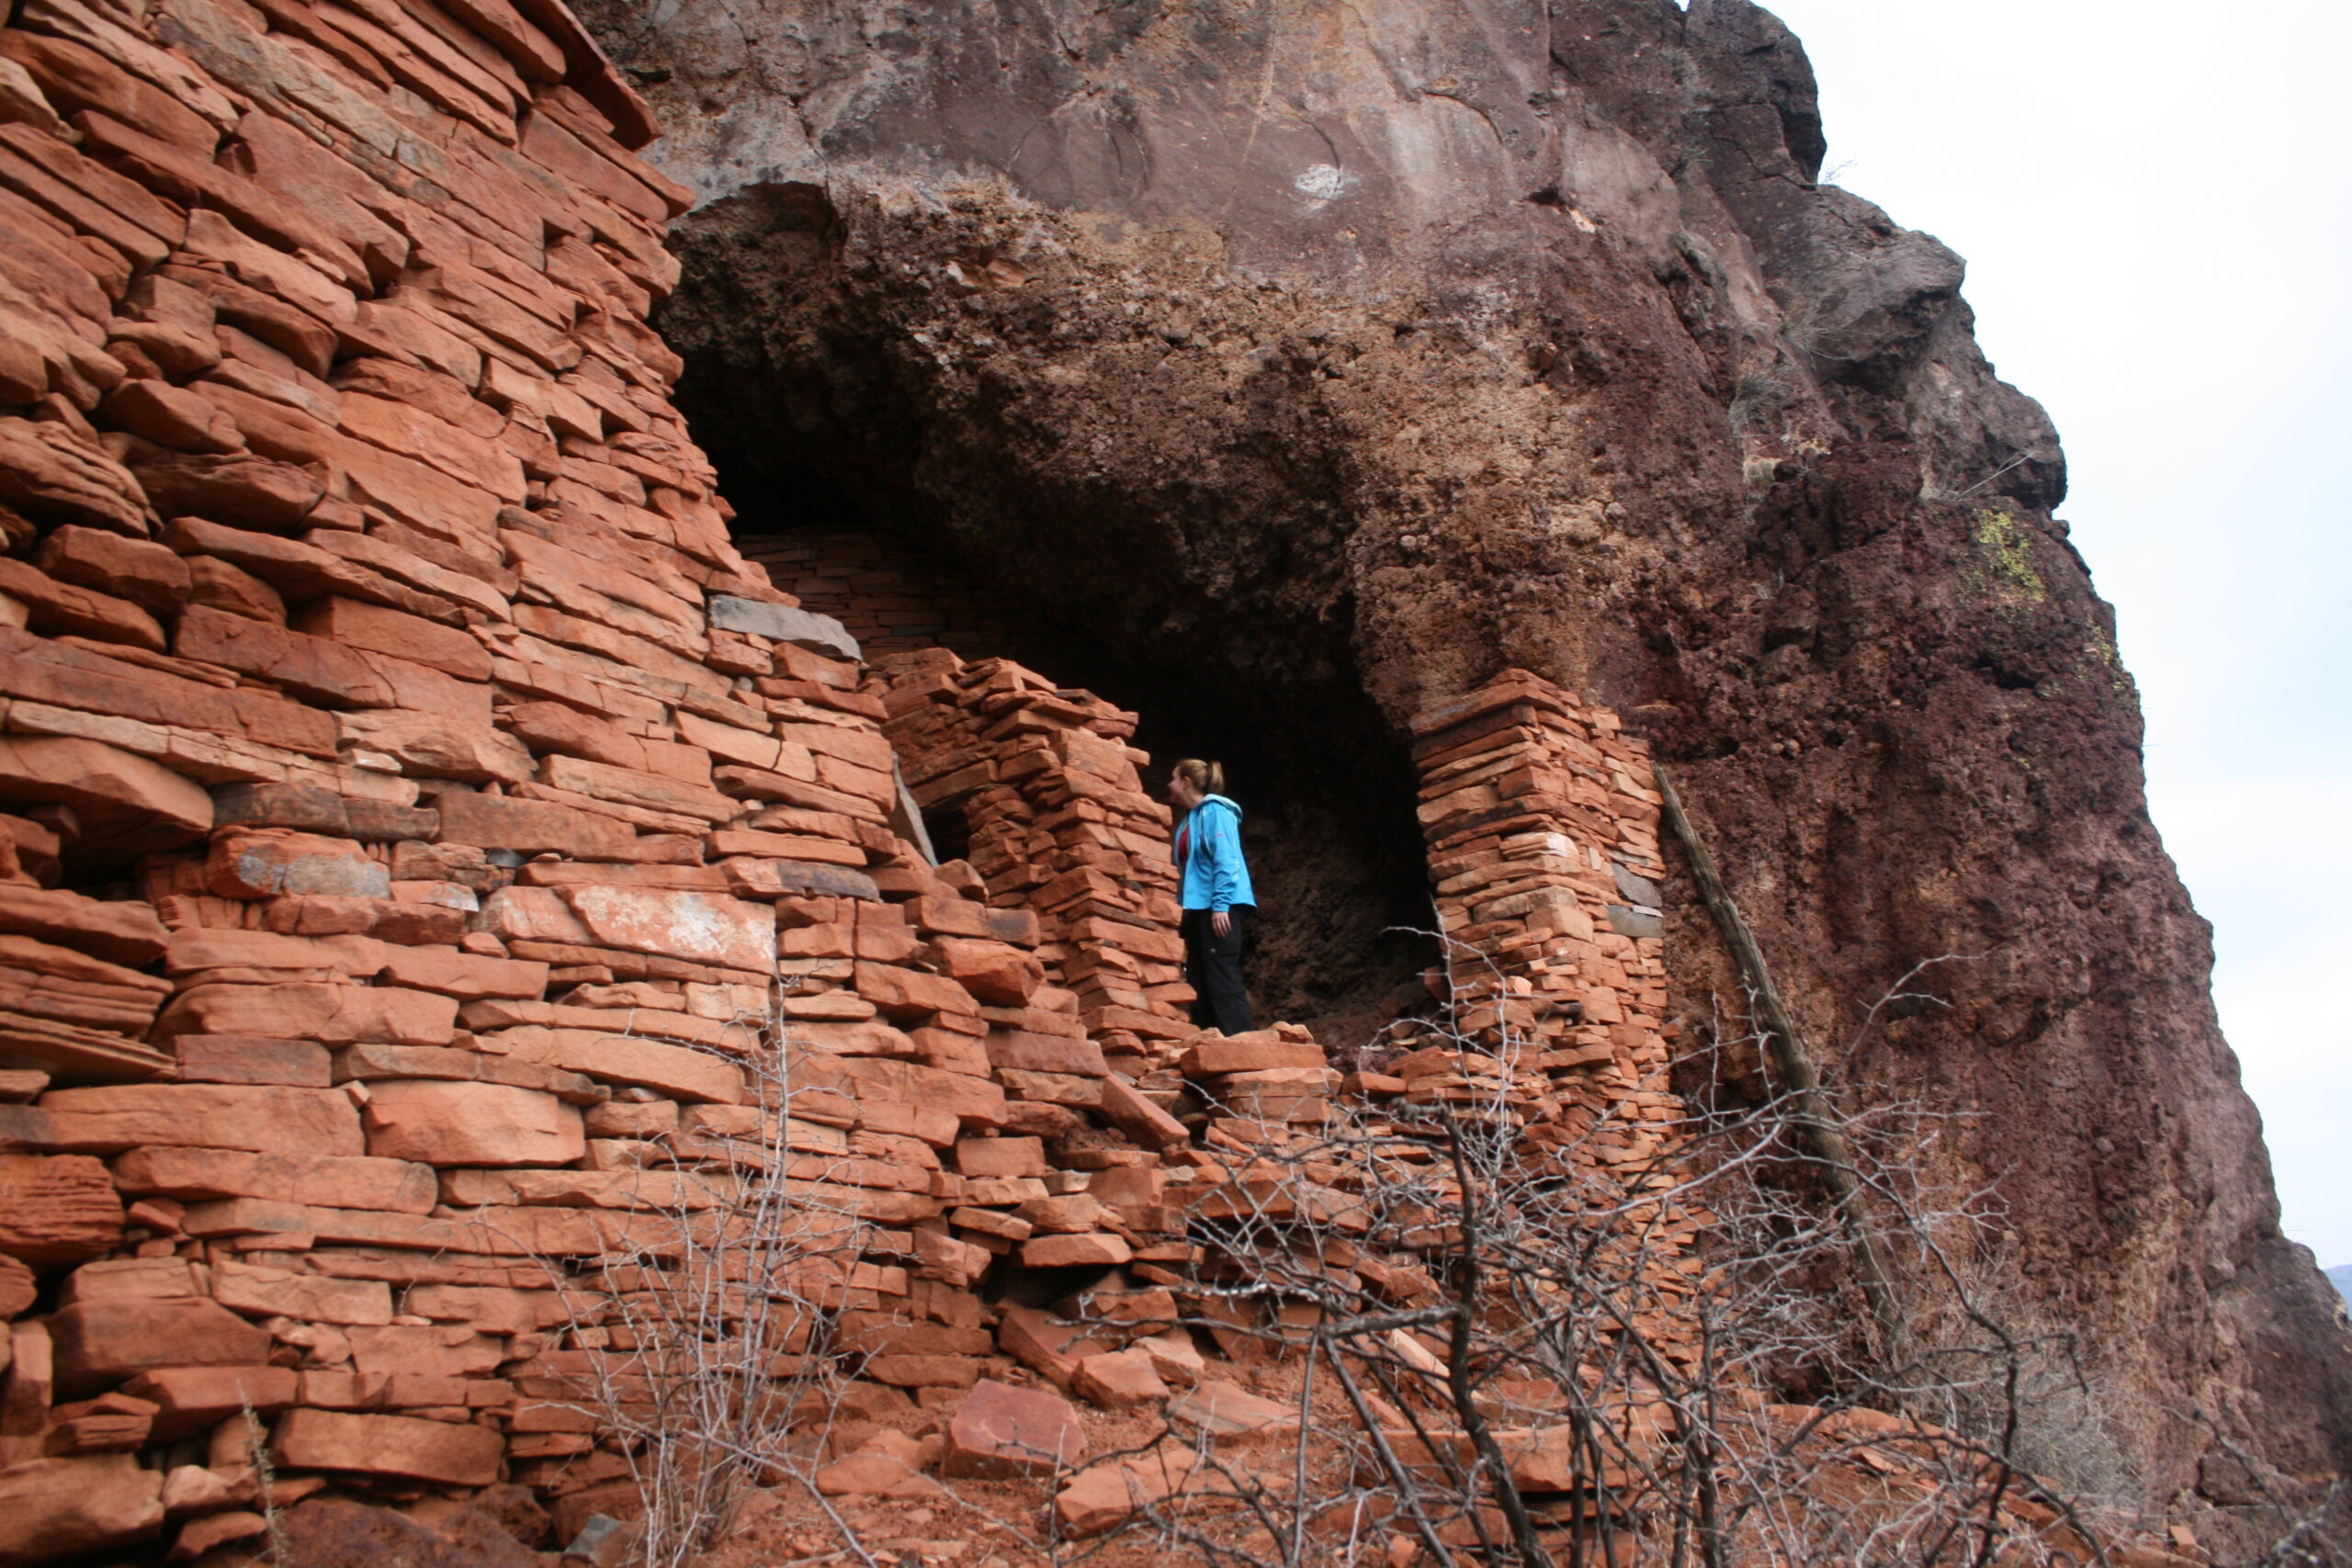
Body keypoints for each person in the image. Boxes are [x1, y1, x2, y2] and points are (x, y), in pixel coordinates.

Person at [1169, 758, 1257, 1035]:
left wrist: (1221, 906)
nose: (1168, 784)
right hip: (1198, 908)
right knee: (1198, 978)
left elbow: (1226, 860)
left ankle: (1240, 1045)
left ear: (1186, 782)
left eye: (1173, 778)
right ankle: (1207, 1048)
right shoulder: (1188, 821)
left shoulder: (1216, 812)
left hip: (1220, 906)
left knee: (1222, 975)